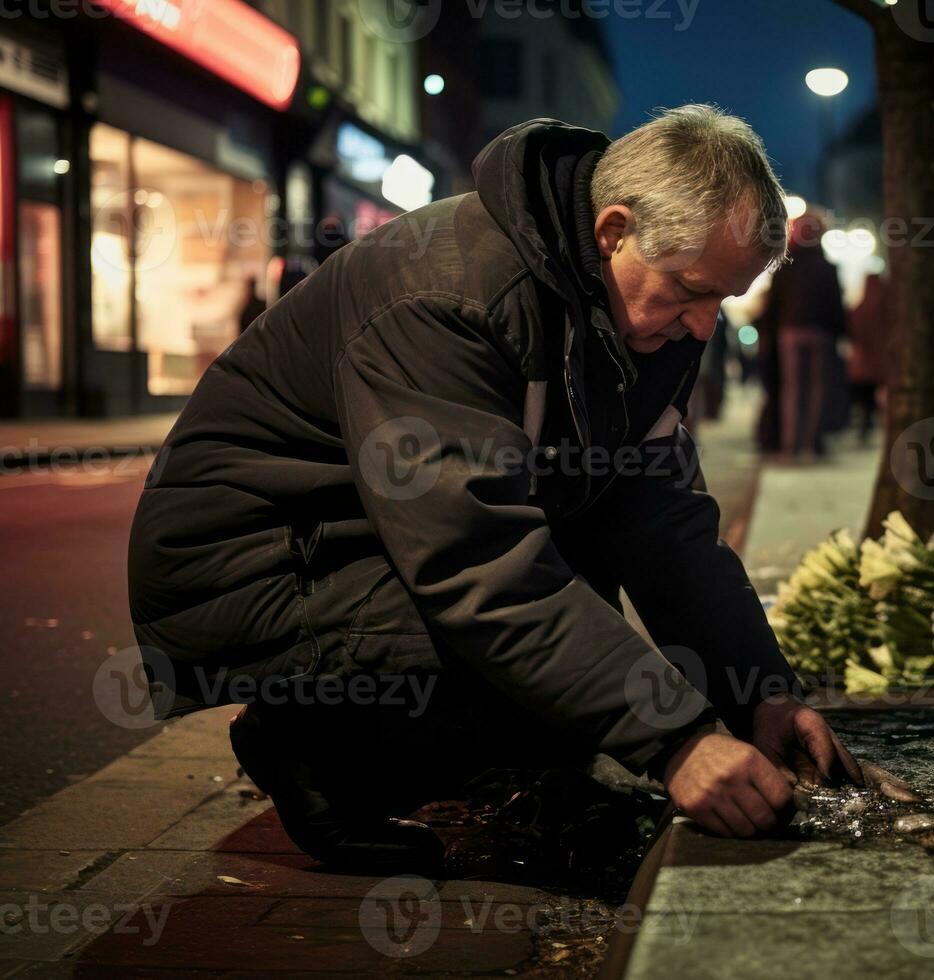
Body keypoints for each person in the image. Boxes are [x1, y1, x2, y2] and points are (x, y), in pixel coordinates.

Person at [127, 107, 878, 873]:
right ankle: (314, 745)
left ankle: (450, 752)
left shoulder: (644, 316)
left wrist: (759, 696)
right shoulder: (447, 296)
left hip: (377, 538)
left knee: (572, 668)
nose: (701, 328)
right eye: (690, 292)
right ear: (612, 230)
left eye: (722, 299)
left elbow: (667, 522)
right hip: (268, 557)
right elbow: (473, 560)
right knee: (514, 657)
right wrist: (675, 742)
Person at [760, 212, 846, 459]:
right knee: (817, 389)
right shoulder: (827, 267)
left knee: (792, 388)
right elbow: (835, 304)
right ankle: (811, 442)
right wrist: (841, 333)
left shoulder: (786, 266)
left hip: (789, 330)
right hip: (820, 332)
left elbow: (773, 303)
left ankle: (790, 444)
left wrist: (768, 333)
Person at [847, 272, 889, 443]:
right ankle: (870, 424)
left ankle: (865, 427)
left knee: (864, 397)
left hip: (862, 360)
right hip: (878, 359)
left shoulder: (860, 308)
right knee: (875, 396)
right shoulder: (885, 308)